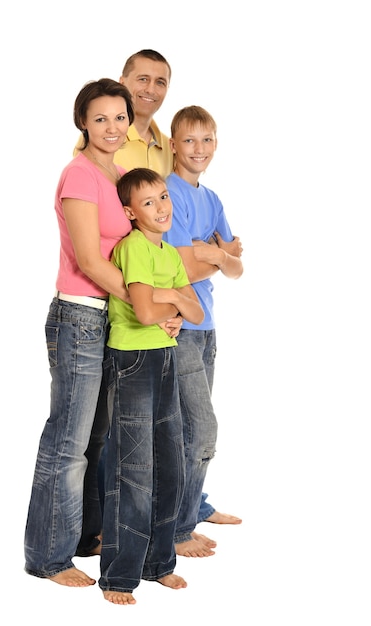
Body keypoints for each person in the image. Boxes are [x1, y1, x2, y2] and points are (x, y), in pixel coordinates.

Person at [76, 52, 237, 557]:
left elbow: (191, 242)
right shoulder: (105, 145)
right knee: (118, 425)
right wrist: (201, 261)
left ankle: (182, 509)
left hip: (170, 306)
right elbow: (144, 240)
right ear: (124, 84)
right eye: (140, 80)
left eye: (160, 81)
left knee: (168, 426)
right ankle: (107, 528)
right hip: (120, 293)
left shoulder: (166, 147)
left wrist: (205, 257)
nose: (150, 89)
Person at [24, 78, 136, 587]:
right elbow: (90, 259)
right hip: (79, 318)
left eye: (119, 117)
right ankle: (48, 558)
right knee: (66, 443)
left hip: (107, 319)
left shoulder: (115, 176)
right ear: (82, 123)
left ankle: (86, 535)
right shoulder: (79, 175)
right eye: (100, 119)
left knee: (97, 439)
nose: (111, 127)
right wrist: (147, 301)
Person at [99, 168, 204, 604]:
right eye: (148, 203)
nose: (161, 207)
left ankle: (159, 563)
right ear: (129, 212)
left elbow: (196, 314)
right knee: (134, 470)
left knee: (171, 464)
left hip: (164, 356)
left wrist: (177, 301)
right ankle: (119, 575)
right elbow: (143, 312)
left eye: (163, 197)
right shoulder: (135, 248)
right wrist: (176, 298)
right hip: (133, 361)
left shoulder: (169, 254)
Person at [162, 105, 244, 558]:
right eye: (190, 140)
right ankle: (178, 526)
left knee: (194, 429)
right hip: (180, 326)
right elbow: (173, 264)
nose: (199, 149)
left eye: (207, 140)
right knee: (198, 429)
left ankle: (190, 509)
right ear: (174, 145)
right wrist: (216, 252)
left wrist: (212, 254)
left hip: (208, 324)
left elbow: (238, 268)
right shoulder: (166, 193)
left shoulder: (212, 199)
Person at [74, 49, 173, 178]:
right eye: (143, 79)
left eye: (160, 82)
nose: (151, 90)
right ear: (122, 82)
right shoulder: (102, 136)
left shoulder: (170, 147)